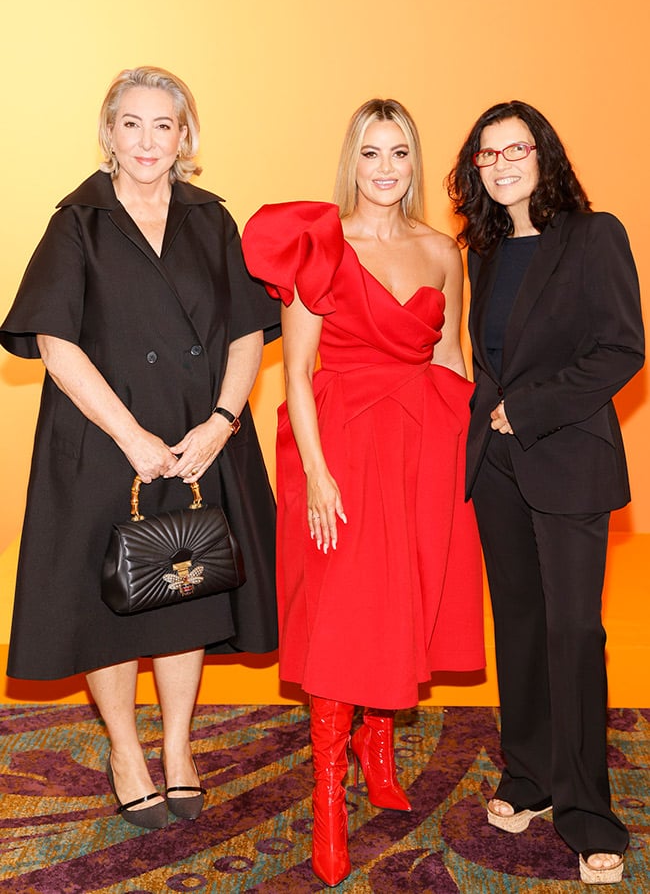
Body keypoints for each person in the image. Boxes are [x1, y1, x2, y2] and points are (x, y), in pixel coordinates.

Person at [0, 67, 279, 829]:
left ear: (185, 137)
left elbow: (249, 330)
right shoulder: (77, 221)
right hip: (101, 442)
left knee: (184, 595)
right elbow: (55, 343)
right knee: (112, 608)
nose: (148, 140)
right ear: (108, 132)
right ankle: (126, 750)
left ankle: (180, 748)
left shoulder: (214, 220)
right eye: (132, 123)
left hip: (199, 440)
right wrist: (130, 437)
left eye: (164, 125)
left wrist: (221, 423)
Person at [242, 99, 484, 886]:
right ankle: (329, 798)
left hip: (421, 442)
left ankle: (378, 749)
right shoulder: (320, 245)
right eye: (372, 153)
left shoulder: (443, 250)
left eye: (401, 154)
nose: (386, 169)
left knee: (404, 595)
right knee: (347, 612)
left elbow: (451, 356)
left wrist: (470, 458)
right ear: (353, 160)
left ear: (417, 163)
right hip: (339, 441)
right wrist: (316, 471)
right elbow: (300, 374)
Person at [447, 101, 644, 885]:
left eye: (514, 149)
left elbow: (620, 349)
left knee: (573, 634)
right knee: (521, 627)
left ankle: (587, 809)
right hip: (496, 469)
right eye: (486, 155)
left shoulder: (596, 235)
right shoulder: (486, 251)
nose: (500, 164)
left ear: (544, 154)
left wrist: (525, 409)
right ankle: (528, 774)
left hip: (566, 461)